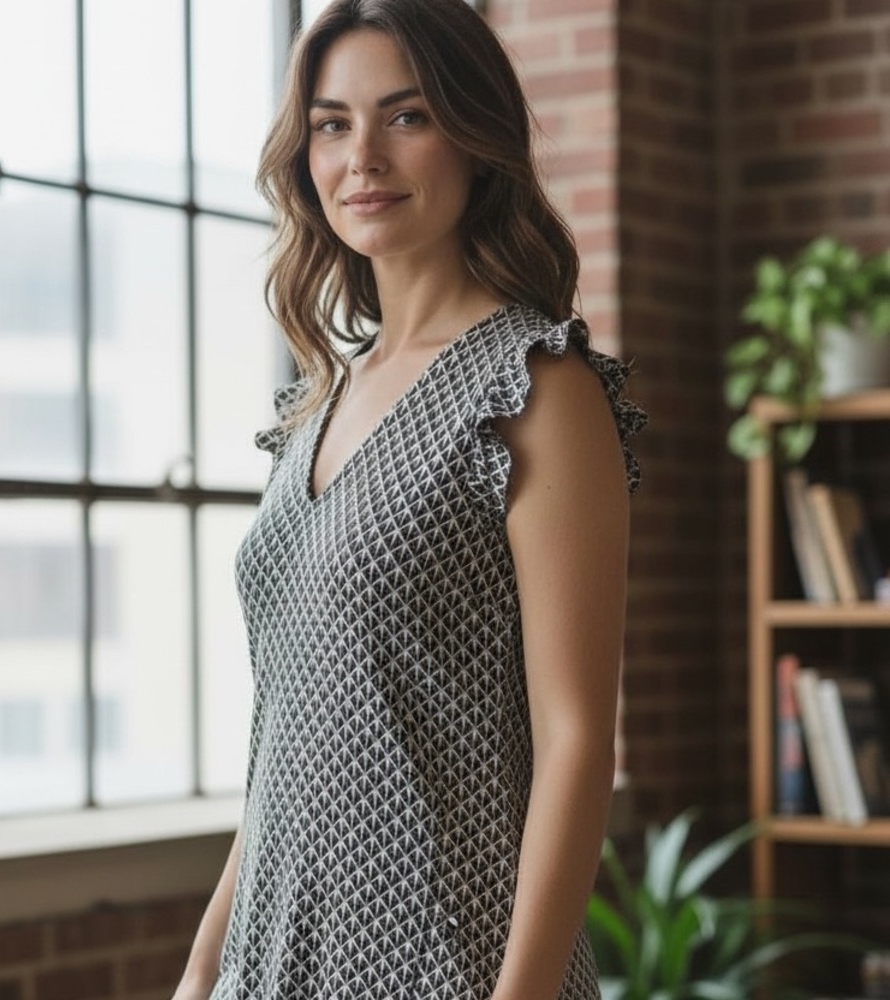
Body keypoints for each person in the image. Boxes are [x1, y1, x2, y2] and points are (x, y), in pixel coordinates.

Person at [173, 0, 645, 997]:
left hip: (451, 961)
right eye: (332, 124)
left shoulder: (535, 389)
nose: (363, 158)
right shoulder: (313, 402)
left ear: (477, 138)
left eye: (407, 116)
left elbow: (575, 745)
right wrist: (203, 964)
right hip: (274, 959)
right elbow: (283, 744)